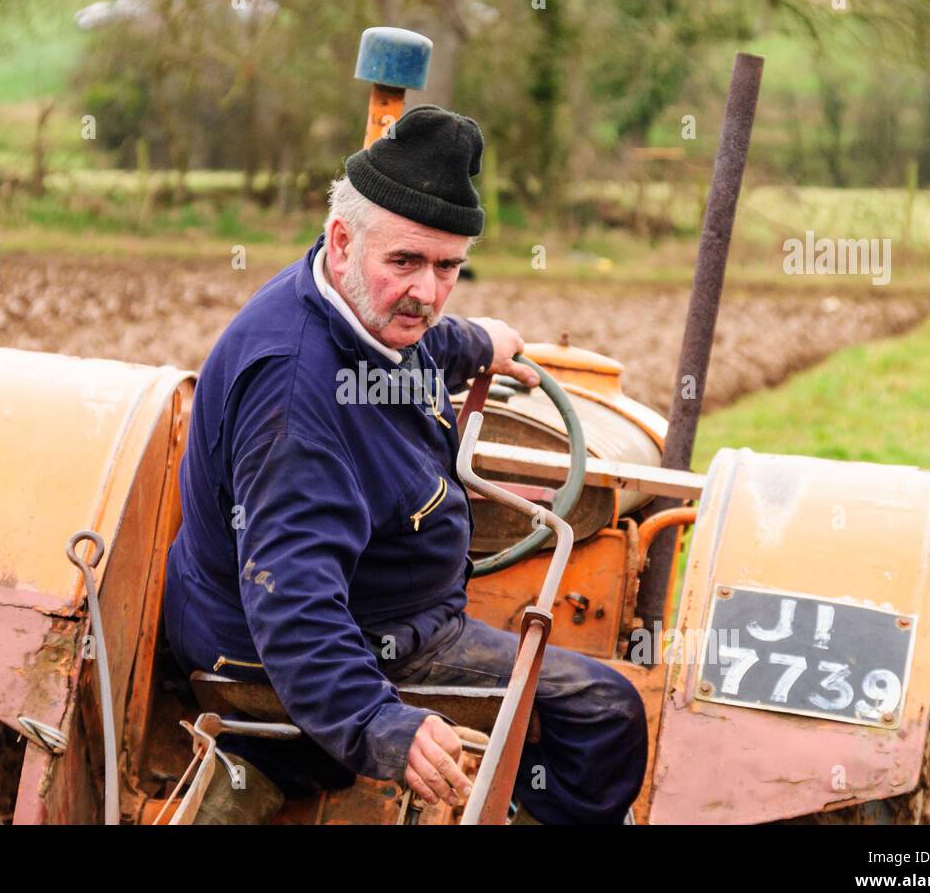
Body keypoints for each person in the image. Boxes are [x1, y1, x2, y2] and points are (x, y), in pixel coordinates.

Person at [163, 105, 647, 824]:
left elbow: (408, 343)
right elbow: (292, 602)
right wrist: (380, 725)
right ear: (341, 240)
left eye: (448, 267)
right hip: (303, 647)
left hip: (390, 610)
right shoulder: (296, 398)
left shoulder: (353, 304)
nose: (426, 291)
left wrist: (475, 344)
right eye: (407, 262)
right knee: (606, 709)